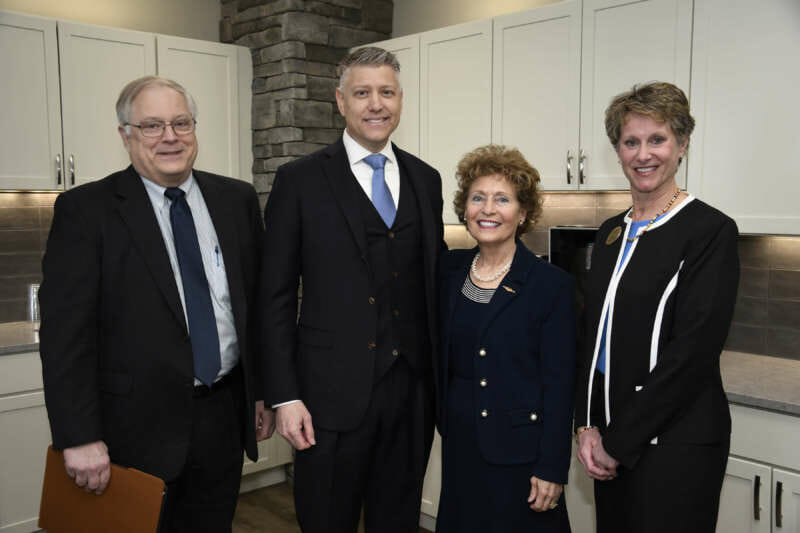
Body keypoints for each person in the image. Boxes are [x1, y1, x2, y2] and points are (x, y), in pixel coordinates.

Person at [38, 75, 273, 533]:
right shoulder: (86, 210)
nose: (170, 136)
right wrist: (79, 436)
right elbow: (66, 336)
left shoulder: (236, 199)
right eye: (152, 126)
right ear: (126, 135)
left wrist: (259, 391)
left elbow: (254, 307)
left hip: (222, 416)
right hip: (131, 431)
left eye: (181, 122)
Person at [260, 47, 444, 533]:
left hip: (412, 394)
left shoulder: (427, 180)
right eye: (362, 92)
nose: (375, 104)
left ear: (401, 100)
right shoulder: (298, 180)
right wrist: (284, 395)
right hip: (327, 397)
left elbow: (433, 280)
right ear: (340, 102)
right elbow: (274, 296)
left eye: (386, 92)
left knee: (398, 521)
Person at [574, 82, 739, 532]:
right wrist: (587, 425)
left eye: (657, 139)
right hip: (609, 439)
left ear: (682, 144)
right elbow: (593, 336)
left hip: (676, 446)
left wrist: (617, 441)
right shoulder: (611, 233)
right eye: (631, 142)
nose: (643, 154)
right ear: (618, 149)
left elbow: (692, 353)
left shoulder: (709, 231)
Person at [436, 145, 575, 532]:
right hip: (461, 450)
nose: (488, 209)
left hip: (521, 457)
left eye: (503, 199)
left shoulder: (551, 285)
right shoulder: (448, 272)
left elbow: (560, 384)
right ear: (464, 209)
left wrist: (552, 467)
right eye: (477, 198)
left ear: (523, 212)